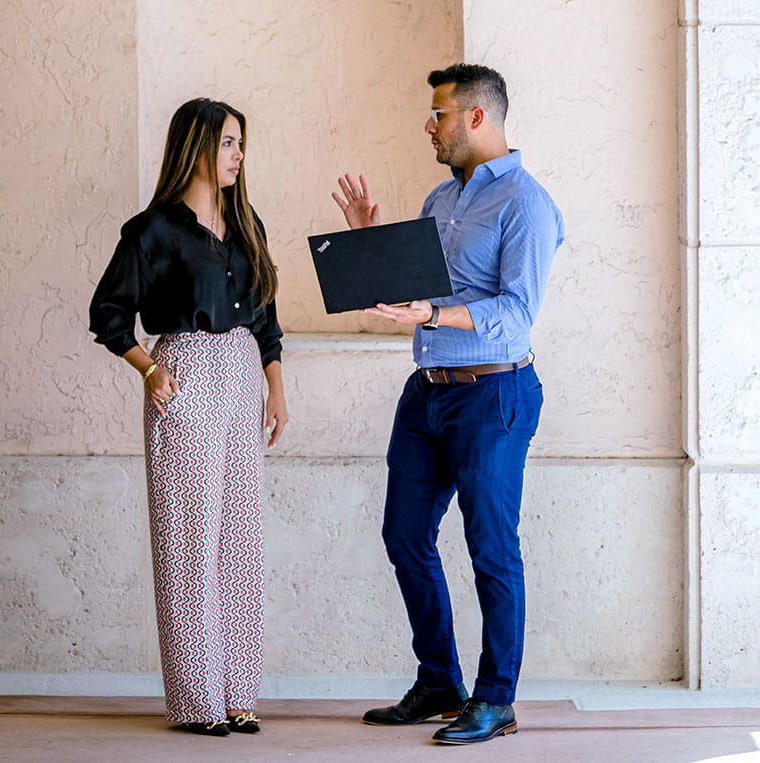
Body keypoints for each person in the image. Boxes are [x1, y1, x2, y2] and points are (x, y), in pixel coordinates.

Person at [331, 64, 564, 745]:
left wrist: (435, 310)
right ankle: (440, 679)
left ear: (476, 118)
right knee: (404, 534)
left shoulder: (526, 203)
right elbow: (417, 291)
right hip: (427, 395)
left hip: (495, 393)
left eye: (439, 113)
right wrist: (368, 239)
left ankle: (496, 699)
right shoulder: (440, 198)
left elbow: (518, 318)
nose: (428, 125)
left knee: (491, 547)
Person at [89, 98, 288, 737]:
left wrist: (275, 391)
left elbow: (265, 319)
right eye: (229, 143)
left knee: (239, 540)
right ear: (198, 146)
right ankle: (198, 700)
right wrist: (150, 369)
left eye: (240, 145)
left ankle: (238, 692)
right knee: (188, 542)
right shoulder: (153, 230)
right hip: (186, 374)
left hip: (241, 375)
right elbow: (108, 313)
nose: (237, 156)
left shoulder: (246, 220)